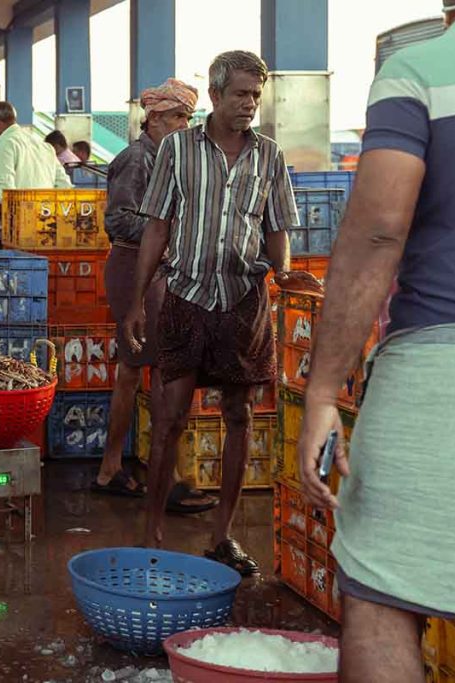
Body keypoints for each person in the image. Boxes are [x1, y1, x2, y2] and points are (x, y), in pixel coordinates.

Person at [296, 2, 455, 680]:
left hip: (440, 374)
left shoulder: (420, 70)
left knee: (382, 595)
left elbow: (377, 233)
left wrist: (321, 393)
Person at [124, 51, 322, 569]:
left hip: (244, 300)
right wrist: (137, 302)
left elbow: (278, 226)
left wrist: (282, 271)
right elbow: (157, 227)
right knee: (169, 418)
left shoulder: (269, 156)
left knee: (240, 414)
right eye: (240, 94)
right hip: (186, 295)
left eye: (256, 95)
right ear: (214, 96)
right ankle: (153, 535)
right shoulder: (177, 151)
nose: (249, 104)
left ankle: (222, 536)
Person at [94, 78, 217, 516]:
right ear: (155, 118)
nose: (185, 124)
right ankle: (172, 479)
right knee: (162, 369)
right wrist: (170, 233)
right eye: (178, 117)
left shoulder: (172, 158)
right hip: (134, 270)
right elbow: (118, 220)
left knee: (134, 371)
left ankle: (112, 468)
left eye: (189, 117)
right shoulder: (137, 159)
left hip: (160, 270)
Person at [0, 101, 72, 248]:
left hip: (11, 230)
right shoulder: (43, 146)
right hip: (43, 227)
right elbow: (64, 187)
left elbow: (2, 192)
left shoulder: (3, 144)